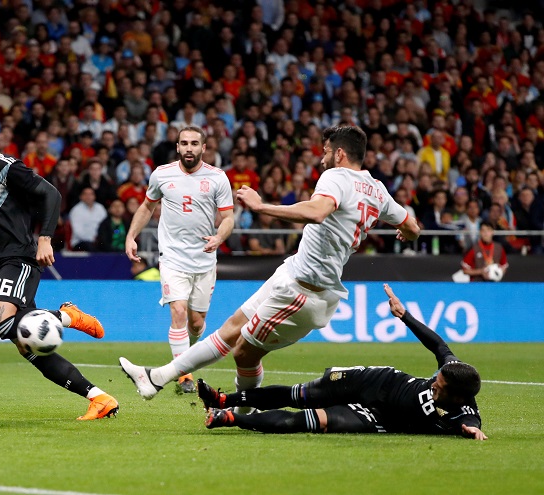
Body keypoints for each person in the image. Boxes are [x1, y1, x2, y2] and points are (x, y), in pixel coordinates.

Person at [120, 125, 420, 400]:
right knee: (231, 330)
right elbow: (412, 227)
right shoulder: (377, 189)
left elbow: (317, 212)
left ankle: (239, 409)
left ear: (339, 153)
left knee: (242, 352)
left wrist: (262, 206)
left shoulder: (336, 177)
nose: (322, 159)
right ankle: (156, 378)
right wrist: (405, 231)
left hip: (306, 291)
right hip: (292, 272)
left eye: (326, 151)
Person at [0, 108, 118, 420]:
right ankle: (99, 397)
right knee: (28, 345)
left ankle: (66, 316)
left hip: (17, 259)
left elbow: (51, 194)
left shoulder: (5, 167)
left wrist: (45, 239)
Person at [201, 284, 486, 441]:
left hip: (379, 419)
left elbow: (472, 425)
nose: (434, 383)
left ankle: (230, 418)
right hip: (377, 381)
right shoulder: (453, 370)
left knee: (314, 422)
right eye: (436, 379)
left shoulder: (466, 414)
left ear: (458, 397)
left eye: (439, 386)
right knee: (299, 395)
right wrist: (404, 316)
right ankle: (224, 399)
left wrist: (473, 430)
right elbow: (438, 345)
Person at [125, 125, 235, 393]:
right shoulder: (162, 174)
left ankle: (187, 356)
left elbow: (228, 218)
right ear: (177, 147)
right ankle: (184, 376)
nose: (189, 148)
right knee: (178, 311)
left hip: (204, 259)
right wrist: (131, 236)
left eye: (194, 143)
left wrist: (219, 237)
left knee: (196, 324)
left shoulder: (217, 178)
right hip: (172, 257)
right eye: (184, 143)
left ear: (203, 148)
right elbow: (147, 206)